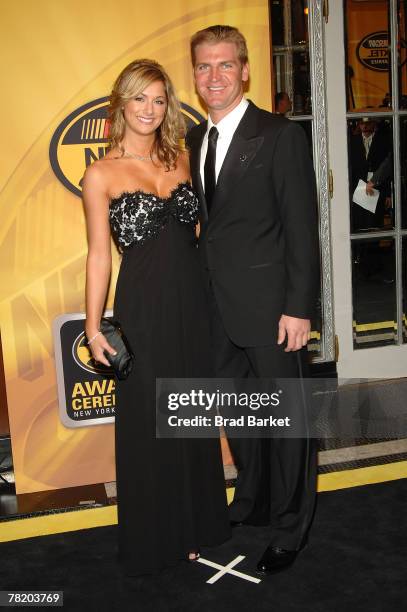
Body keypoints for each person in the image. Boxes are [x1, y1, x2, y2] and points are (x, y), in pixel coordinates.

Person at [82, 59, 230, 576]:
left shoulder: (184, 160)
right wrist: (92, 325)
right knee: (151, 418)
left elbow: (204, 239)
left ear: (168, 106)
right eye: (140, 98)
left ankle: (197, 525)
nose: (149, 109)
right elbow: (99, 254)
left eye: (159, 99)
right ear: (121, 104)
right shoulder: (100, 174)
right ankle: (157, 534)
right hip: (144, 306)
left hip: (194, 302)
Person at [186, 26, 319, 574]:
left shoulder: (279, 134)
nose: (213, 77)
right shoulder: (196, 140)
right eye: (202, 67)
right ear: (193, 76)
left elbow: (301, 229)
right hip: (217, 309)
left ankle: (291, 527)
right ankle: (252, 501)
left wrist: (299, 307)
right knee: (238, 416)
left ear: (245, 70)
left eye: (224, 65)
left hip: (272, 310)